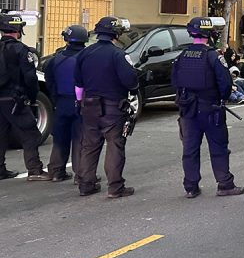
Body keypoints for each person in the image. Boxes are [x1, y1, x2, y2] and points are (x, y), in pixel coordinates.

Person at [172, 17, 244, 199]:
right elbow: (225, 83)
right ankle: (224, 184)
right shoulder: (214, 56)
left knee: (189, 148)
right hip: (211, 109)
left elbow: (174, 81)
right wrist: (222, 98)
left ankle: (190, 186)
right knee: (218, 147)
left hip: (188, 110)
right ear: (210, 34)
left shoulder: (182, 55)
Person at [75, 16, 139, 198]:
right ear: (116, 34)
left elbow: (78, 83)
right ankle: (115, 187)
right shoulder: (119, 55)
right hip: (112, 107)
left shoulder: (84, 53)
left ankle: (86, 184)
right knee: (115, 145)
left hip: (89, 105)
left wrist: (80, 102)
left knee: (89, 145)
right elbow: (130, 81)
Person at [0, 14, 48, 181]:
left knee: (1, 134)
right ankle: (35, 170)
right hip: (14, 99)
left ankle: (0, 169)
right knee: (30, 134)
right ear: (18, 30)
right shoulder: (21, 50)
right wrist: (32, 97)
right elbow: (30, 78)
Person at [44, 25, 89, 183]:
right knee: (80, 138)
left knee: (60, 137)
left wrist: (56, 98)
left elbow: (49, 82)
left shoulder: (55, 59)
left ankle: (56, 171)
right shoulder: (88, 58)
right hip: (82, 102)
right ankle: (81, 175)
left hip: (62, 102)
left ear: (66, 39)